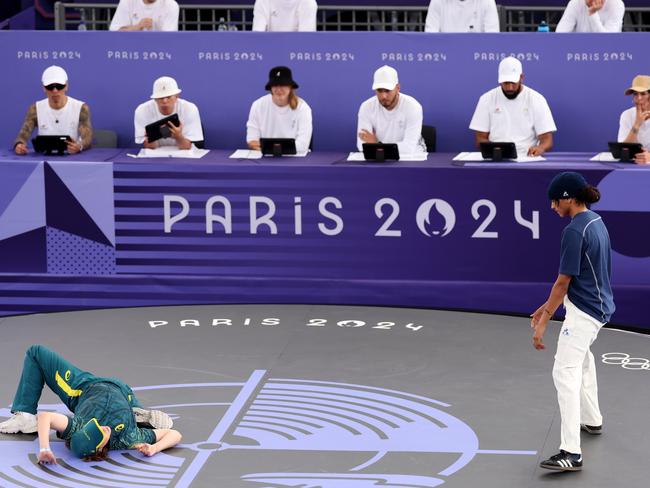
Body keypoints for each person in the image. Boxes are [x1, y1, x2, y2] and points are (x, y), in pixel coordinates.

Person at [531, 172, 615, 472]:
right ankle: (592, 419)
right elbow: (576, 278)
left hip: (585, 312)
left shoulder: (573, 231)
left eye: (555, 201)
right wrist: (545, 307)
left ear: (568, 198)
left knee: (564, 372)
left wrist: (544, 320)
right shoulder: (596, 222)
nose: (553, 207)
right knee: (582, 361)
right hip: (599, 305)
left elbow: (563, 282)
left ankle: (571, 452)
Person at [0, 345, 180, 464]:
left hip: (85, 385)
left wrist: (45, 448)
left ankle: (24, 415)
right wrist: (154, 448)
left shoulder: (78, 427)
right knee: (144, 422)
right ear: (100, 448)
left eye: (95, 427)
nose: (103, 427)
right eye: (99, 433)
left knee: (36, 352)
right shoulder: (126, 438)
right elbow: (174, 434)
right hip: (123, 392)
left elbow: (45, 417)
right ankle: (136, 414)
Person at [469, 56, 557, 157]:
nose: (510, 88)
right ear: (500, 80)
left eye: (513, 83)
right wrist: (495, 150)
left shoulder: (537, 99)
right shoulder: (486, 98)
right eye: (506, 83)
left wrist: (540, 148)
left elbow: (547, 140)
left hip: (528, 157)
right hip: (496, 157)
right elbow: (480, 138)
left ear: (521, 78)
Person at [13, 66, 92, 156]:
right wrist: (19, 145)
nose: (55, 91)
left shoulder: (81, 108)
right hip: (43, 158)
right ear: (44, 88)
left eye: (59, 86)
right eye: (50, 87)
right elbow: (23, 134)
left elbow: (87, 136)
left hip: (71, 158)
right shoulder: (35, 109)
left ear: (66, 86)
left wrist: (79, 146)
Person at [356, 65, 427, 155]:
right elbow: (362, 145)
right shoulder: (366, 107)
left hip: (412, 158)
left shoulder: (413, 107)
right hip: (379, 157)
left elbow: (408, 148)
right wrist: (379, 147)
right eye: (379, 90)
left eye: (387, 90)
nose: (383, 96)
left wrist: (377, 144)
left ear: (398, 88)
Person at [246, 66, 313, 154]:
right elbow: (252, 140)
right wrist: (277, 148)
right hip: (265, 159)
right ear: (270, 88)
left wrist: (268, 147)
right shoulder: (258, 105)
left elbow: (303, 145)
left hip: (295, 160)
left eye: (283, 84)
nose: (279, 89)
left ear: (290, 87)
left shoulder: (303, 108)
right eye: (275, 85)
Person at [134, 76, 204, 150]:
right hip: (157, 154)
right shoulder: (142, 110)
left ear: (177, 96)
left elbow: (186, 147)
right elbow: (149, 148)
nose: (165, 101)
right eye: (161, 97)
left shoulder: (189, 108)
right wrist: (150, 138)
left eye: (168, 97)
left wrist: (179, 137)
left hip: (183, 154)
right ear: (155, 99)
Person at [618, 74, 650, 164]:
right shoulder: (627, 115)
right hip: (633, 165)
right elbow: (624, 149)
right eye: (635, 94)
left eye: (643, 94)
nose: (639, 98)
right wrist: (637, 123)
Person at [424, 0, 499, 33]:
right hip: (445, 56)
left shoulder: (487, 1)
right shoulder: (437, 1)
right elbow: (430, 38)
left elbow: (492, 39)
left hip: (477, 56)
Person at [555, 0, 624, 33]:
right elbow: (560, 34)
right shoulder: (575, 3)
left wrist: (592, 13)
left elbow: (608, 41)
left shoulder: (617, 4)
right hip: (578, 52)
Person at [109, 0, 179, 31]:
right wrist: (137, 27)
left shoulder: (171, 5)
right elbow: (114, 33)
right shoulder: (127, 1)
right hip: (131, 50)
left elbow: (169, 39)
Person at [252, 0, 317, 32]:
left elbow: (305, 40)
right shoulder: (262, 1)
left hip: (296, 53)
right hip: (270, 51)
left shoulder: (308, 2)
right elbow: (257, 37)